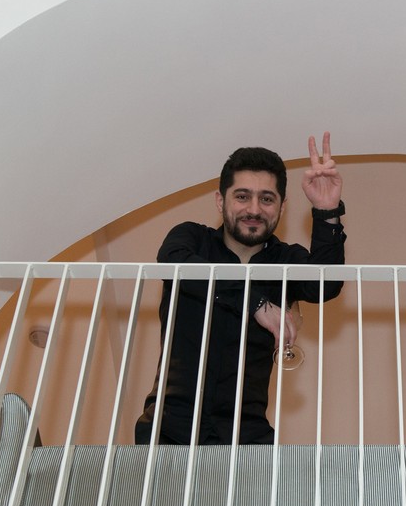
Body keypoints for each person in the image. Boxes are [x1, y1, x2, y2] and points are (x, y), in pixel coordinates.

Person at [135, 134, 345, 446]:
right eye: (242, 196)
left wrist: (327, 211)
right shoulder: (192, 239)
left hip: (247, 436)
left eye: (267, 199)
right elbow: (172, 259)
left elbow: (325, 285)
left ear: (282, 207)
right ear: (221, 201)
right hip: (168, 429)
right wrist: (254, 303)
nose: (254, 209)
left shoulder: (286, 259)